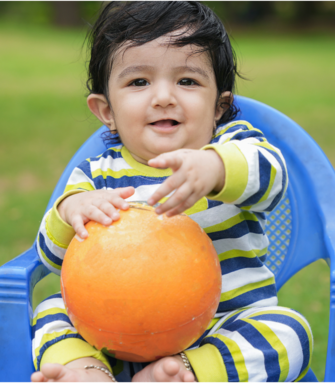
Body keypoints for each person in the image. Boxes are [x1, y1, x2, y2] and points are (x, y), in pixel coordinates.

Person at [31, 2, 312, 382]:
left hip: (219, 329)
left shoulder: (233, 147)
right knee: (51, 311)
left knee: (290, 331)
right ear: (106, 110)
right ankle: (89, 373)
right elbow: (49, 258)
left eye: (187, 81)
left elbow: (272, 177)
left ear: (220, 106)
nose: (164, 96)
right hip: (115, 336)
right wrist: (70, 211)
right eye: (139, 82)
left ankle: (187, 373)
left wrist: (214, 168)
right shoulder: (97, 174)